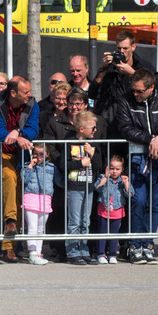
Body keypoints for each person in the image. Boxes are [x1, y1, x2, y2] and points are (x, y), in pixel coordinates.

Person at [111, 68, 158, 264]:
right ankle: (134, 245)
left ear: (151, 87)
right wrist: (151, 139)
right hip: (137, 159)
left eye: (139, 91)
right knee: (138, 201)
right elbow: (125, 128)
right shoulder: (125, 100)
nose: (135, 94)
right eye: (133, 90)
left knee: (155, 203)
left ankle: (148, 244)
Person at [0, 76, 39, 263]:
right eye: (25, 92)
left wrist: (18, 132)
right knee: (9, 181)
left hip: (23, 157)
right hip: (2, 155)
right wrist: (14, 137)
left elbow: (33, 129)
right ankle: (9, 232)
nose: (30, 94)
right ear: (13, 93)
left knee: (17, 197)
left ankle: (13, 246)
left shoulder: (33, 104)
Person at [63, 111, 100, 265]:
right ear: (82, 129)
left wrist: (93, 154)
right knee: (74, 221)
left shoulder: (92, 144)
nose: (95, 130)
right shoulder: (69, 142)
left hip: (89, 186)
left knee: (86, 222)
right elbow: (62, 164)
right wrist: (80, 164)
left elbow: (98, 167)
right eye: (93, 127)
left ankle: (84, 250)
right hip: (74, 186)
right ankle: (72, 252)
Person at [94, 30, 157, 119]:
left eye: (125, 48)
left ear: (133, 47)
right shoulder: (111, 66)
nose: (121, 52)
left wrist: (133, 73)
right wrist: (104, 68)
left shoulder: (143, 66)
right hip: (111, 119)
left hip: (134, 116)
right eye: (119, 48)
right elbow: (93, 92)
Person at [21, 143, 56, 265]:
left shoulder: (51, 167)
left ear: (47, 155)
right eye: (35, 153)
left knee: (41, 228)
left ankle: (39, 252)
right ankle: (32, 252)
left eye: (41, 154)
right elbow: (23, 179)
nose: (38, 156)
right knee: (32, 227)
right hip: (30, 197)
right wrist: (30, 166)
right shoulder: (27, 166)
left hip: (45, 198)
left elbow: (59, 181)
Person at [94, 155, 133, 264]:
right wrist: (105, 178)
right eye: (112, 168)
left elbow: (130, 194)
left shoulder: (123, 180)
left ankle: (112, 254)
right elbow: (97, 188)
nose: (114, 171)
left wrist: (126, 183)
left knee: (114, 234)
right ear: (107, 168)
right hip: (103, 210)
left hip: (117, 211)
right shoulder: (103, 177)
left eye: (117, 169)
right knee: (102, 233)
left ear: (122, 169)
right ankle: (101, 253)